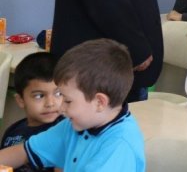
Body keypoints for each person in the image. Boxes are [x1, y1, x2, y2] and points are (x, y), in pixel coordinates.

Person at [0, 39, 145, 171]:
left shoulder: (119, 147)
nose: (61, 108)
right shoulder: (77, 124)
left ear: (99, 102)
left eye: (68, 101)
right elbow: (25, 152)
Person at [1, 53, 63, 172]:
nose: (50, 103)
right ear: (21, 100)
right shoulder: (12, 131)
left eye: (58, 93)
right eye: (39, 96)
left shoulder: (65, 131)